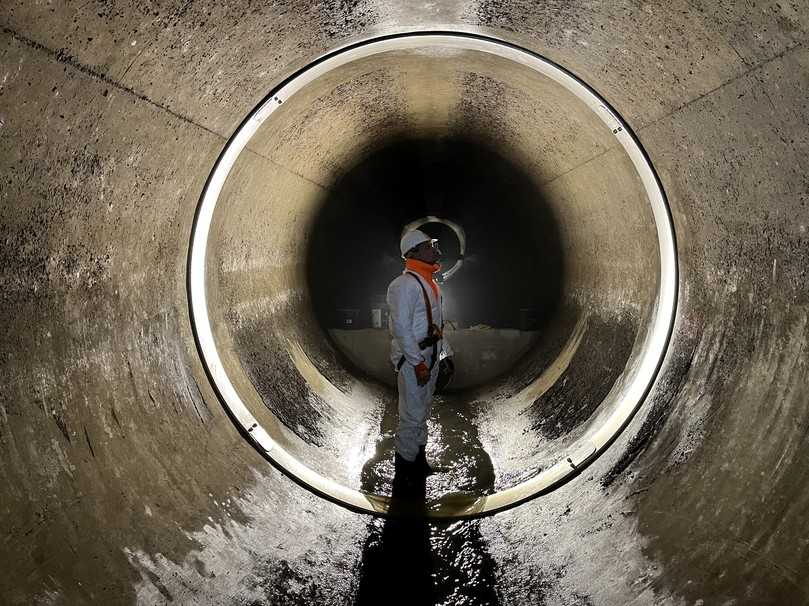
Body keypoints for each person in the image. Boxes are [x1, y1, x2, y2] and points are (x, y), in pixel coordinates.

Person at [387, 229, 454, 478]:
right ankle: (405, 474)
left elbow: (436, 325)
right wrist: (417, 363)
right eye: (429, 246)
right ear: (413, 252)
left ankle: (419, 464)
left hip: (430, 355)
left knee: (423, 411)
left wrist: (445, 354)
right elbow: (402, 329)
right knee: (411, 417)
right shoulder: (403, 285)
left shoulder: (429, 283)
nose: (436, 250)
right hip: (414, 359)